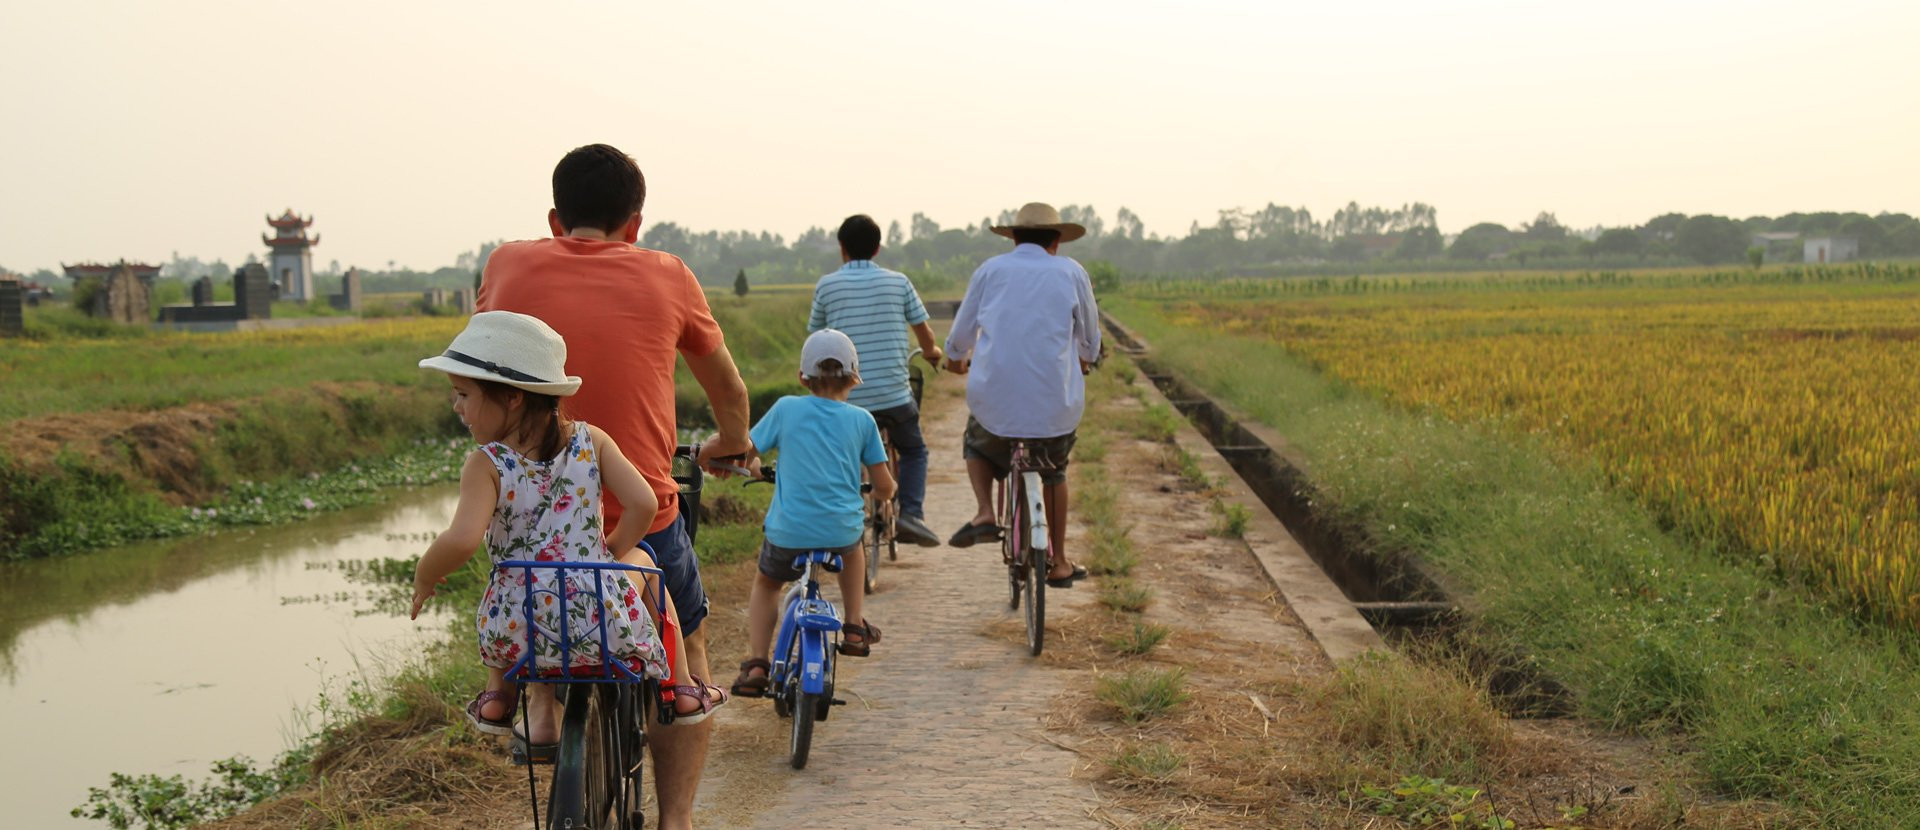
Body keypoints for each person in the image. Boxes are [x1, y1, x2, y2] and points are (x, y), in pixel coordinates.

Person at [476, 143, 750, 830]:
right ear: (635, 225)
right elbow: (728, 388)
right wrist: (730, 445)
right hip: (641, 516)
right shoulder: (668, 275)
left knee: (529, 575)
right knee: (684, 643)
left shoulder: (507, 262)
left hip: (527, 515)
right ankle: (677, 819)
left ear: (554, 217)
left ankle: (538, 705)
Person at [406, 311, 722, 756]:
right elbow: (644, 505)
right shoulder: (591, 440)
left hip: (517, 629)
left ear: (513, 397)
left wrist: (424, 575)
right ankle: (682, 686)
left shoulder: (486, 464)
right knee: (648, 567)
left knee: (510, 581)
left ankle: (499, 695)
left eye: (462, 394)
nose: (456, 407)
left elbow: (460, 541)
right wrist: (609, 554)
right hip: (601, 616)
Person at [942, 202, 1102, 587]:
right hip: (1055, 408)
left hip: (994, 404)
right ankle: (1060, 560)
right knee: (1055, 471)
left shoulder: (990, 270)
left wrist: (955, 359)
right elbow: (1091, 341)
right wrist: (1084, 358)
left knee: (976, 443)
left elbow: (961, 335)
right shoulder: (1072, 272)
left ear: (1013, 238)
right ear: (1057, 241)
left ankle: (984, 511)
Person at [729, 329, 894, 698]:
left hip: (788, 533)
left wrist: (754, 466)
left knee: (768, 584)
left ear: (803, 377)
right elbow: (884, 485)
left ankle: (757, 662)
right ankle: (853, 625)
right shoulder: (863, 421)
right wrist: (884, 493)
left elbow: (747, 450)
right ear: (854, 377)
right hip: (839, 531)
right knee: (854, 552)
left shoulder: (787, 408)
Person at [807, 213, 944, 547]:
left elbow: (816, 340)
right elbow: (924, 333)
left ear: (842, 249)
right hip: (893, 398)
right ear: (878, 248)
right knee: (913, 451)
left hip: (845, 399)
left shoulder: (827, 285)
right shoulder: (899, 282)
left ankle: (841, 515)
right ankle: (911, 512)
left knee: (843, 452)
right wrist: (932, 352)